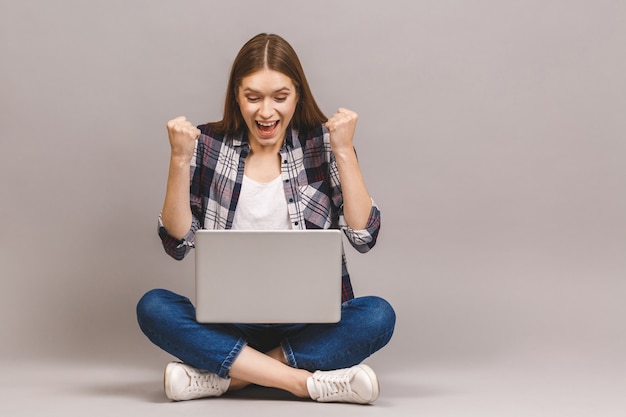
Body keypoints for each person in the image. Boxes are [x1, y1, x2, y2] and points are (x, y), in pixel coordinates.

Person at [136, 33, 395, 405]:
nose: (266, 112)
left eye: (280, 97)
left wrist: (342, 150)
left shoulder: (322, 144)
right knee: (153, 306)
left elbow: (363, 236)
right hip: (229, 323)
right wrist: (179, 160)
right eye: (253, 97)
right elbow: (177, 243)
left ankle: (228, 377)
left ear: (298, 95)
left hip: (309, 325)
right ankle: (302, 383)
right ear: (236, 96)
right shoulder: (207, 143)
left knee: (377, 316)